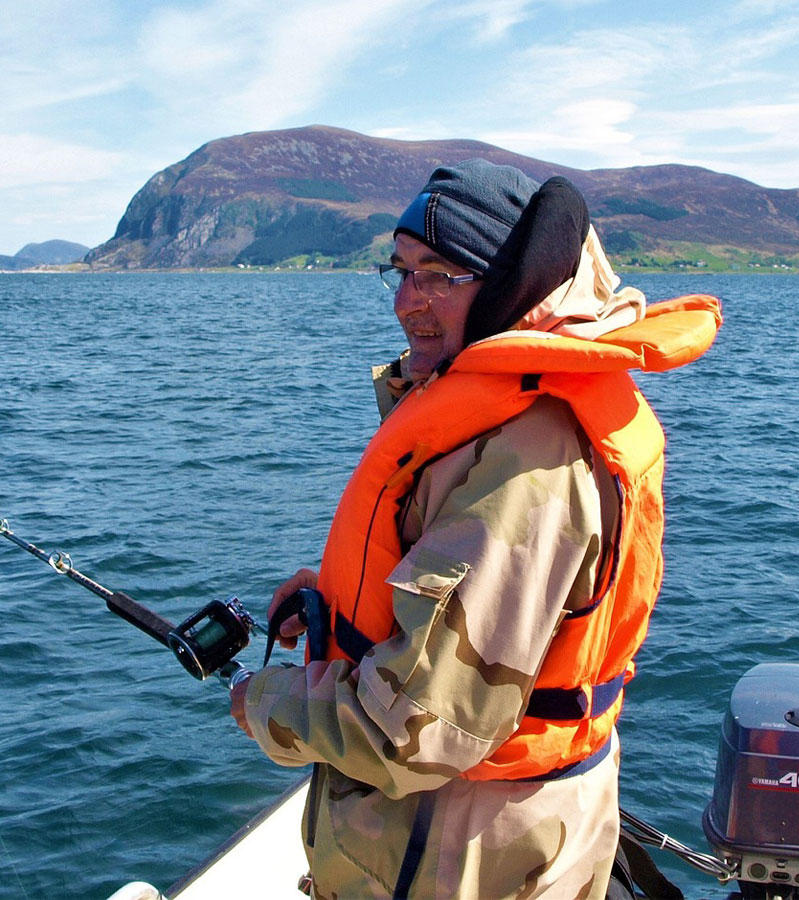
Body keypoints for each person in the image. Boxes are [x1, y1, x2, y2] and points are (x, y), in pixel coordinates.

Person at [231, 158, 721, 898]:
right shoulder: (503, 408)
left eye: (440, 275)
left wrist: (261, 702)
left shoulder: (532, 457)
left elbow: (417, 733)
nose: (406, 302)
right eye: (400, 271)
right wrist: (336, 599)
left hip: (465, 855)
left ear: (508, 284)